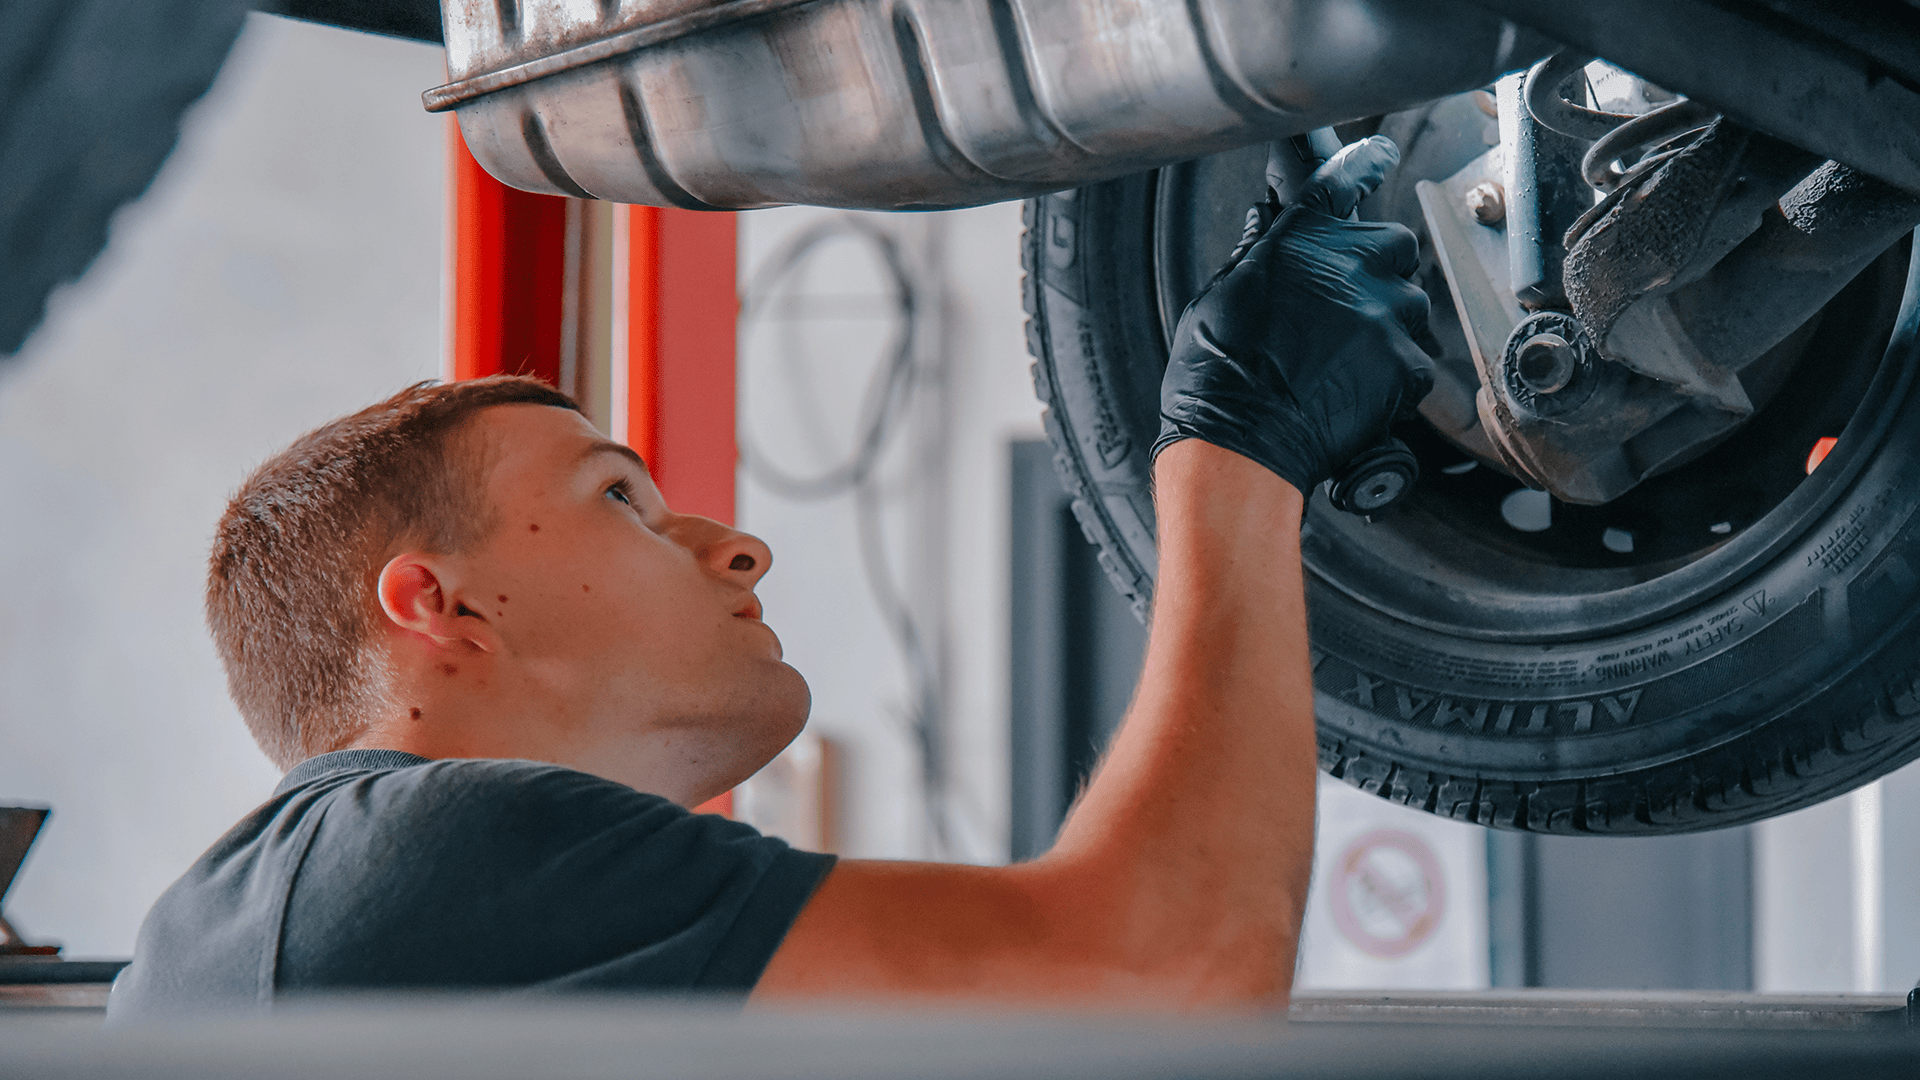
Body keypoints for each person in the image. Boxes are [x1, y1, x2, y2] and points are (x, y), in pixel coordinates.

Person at [108, 136, 1432, 1018]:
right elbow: (1163, 976)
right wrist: (1236, 446)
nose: (740, 547)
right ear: (435, 605)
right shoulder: (399, 858)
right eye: (620, 498)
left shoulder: (242, 944)